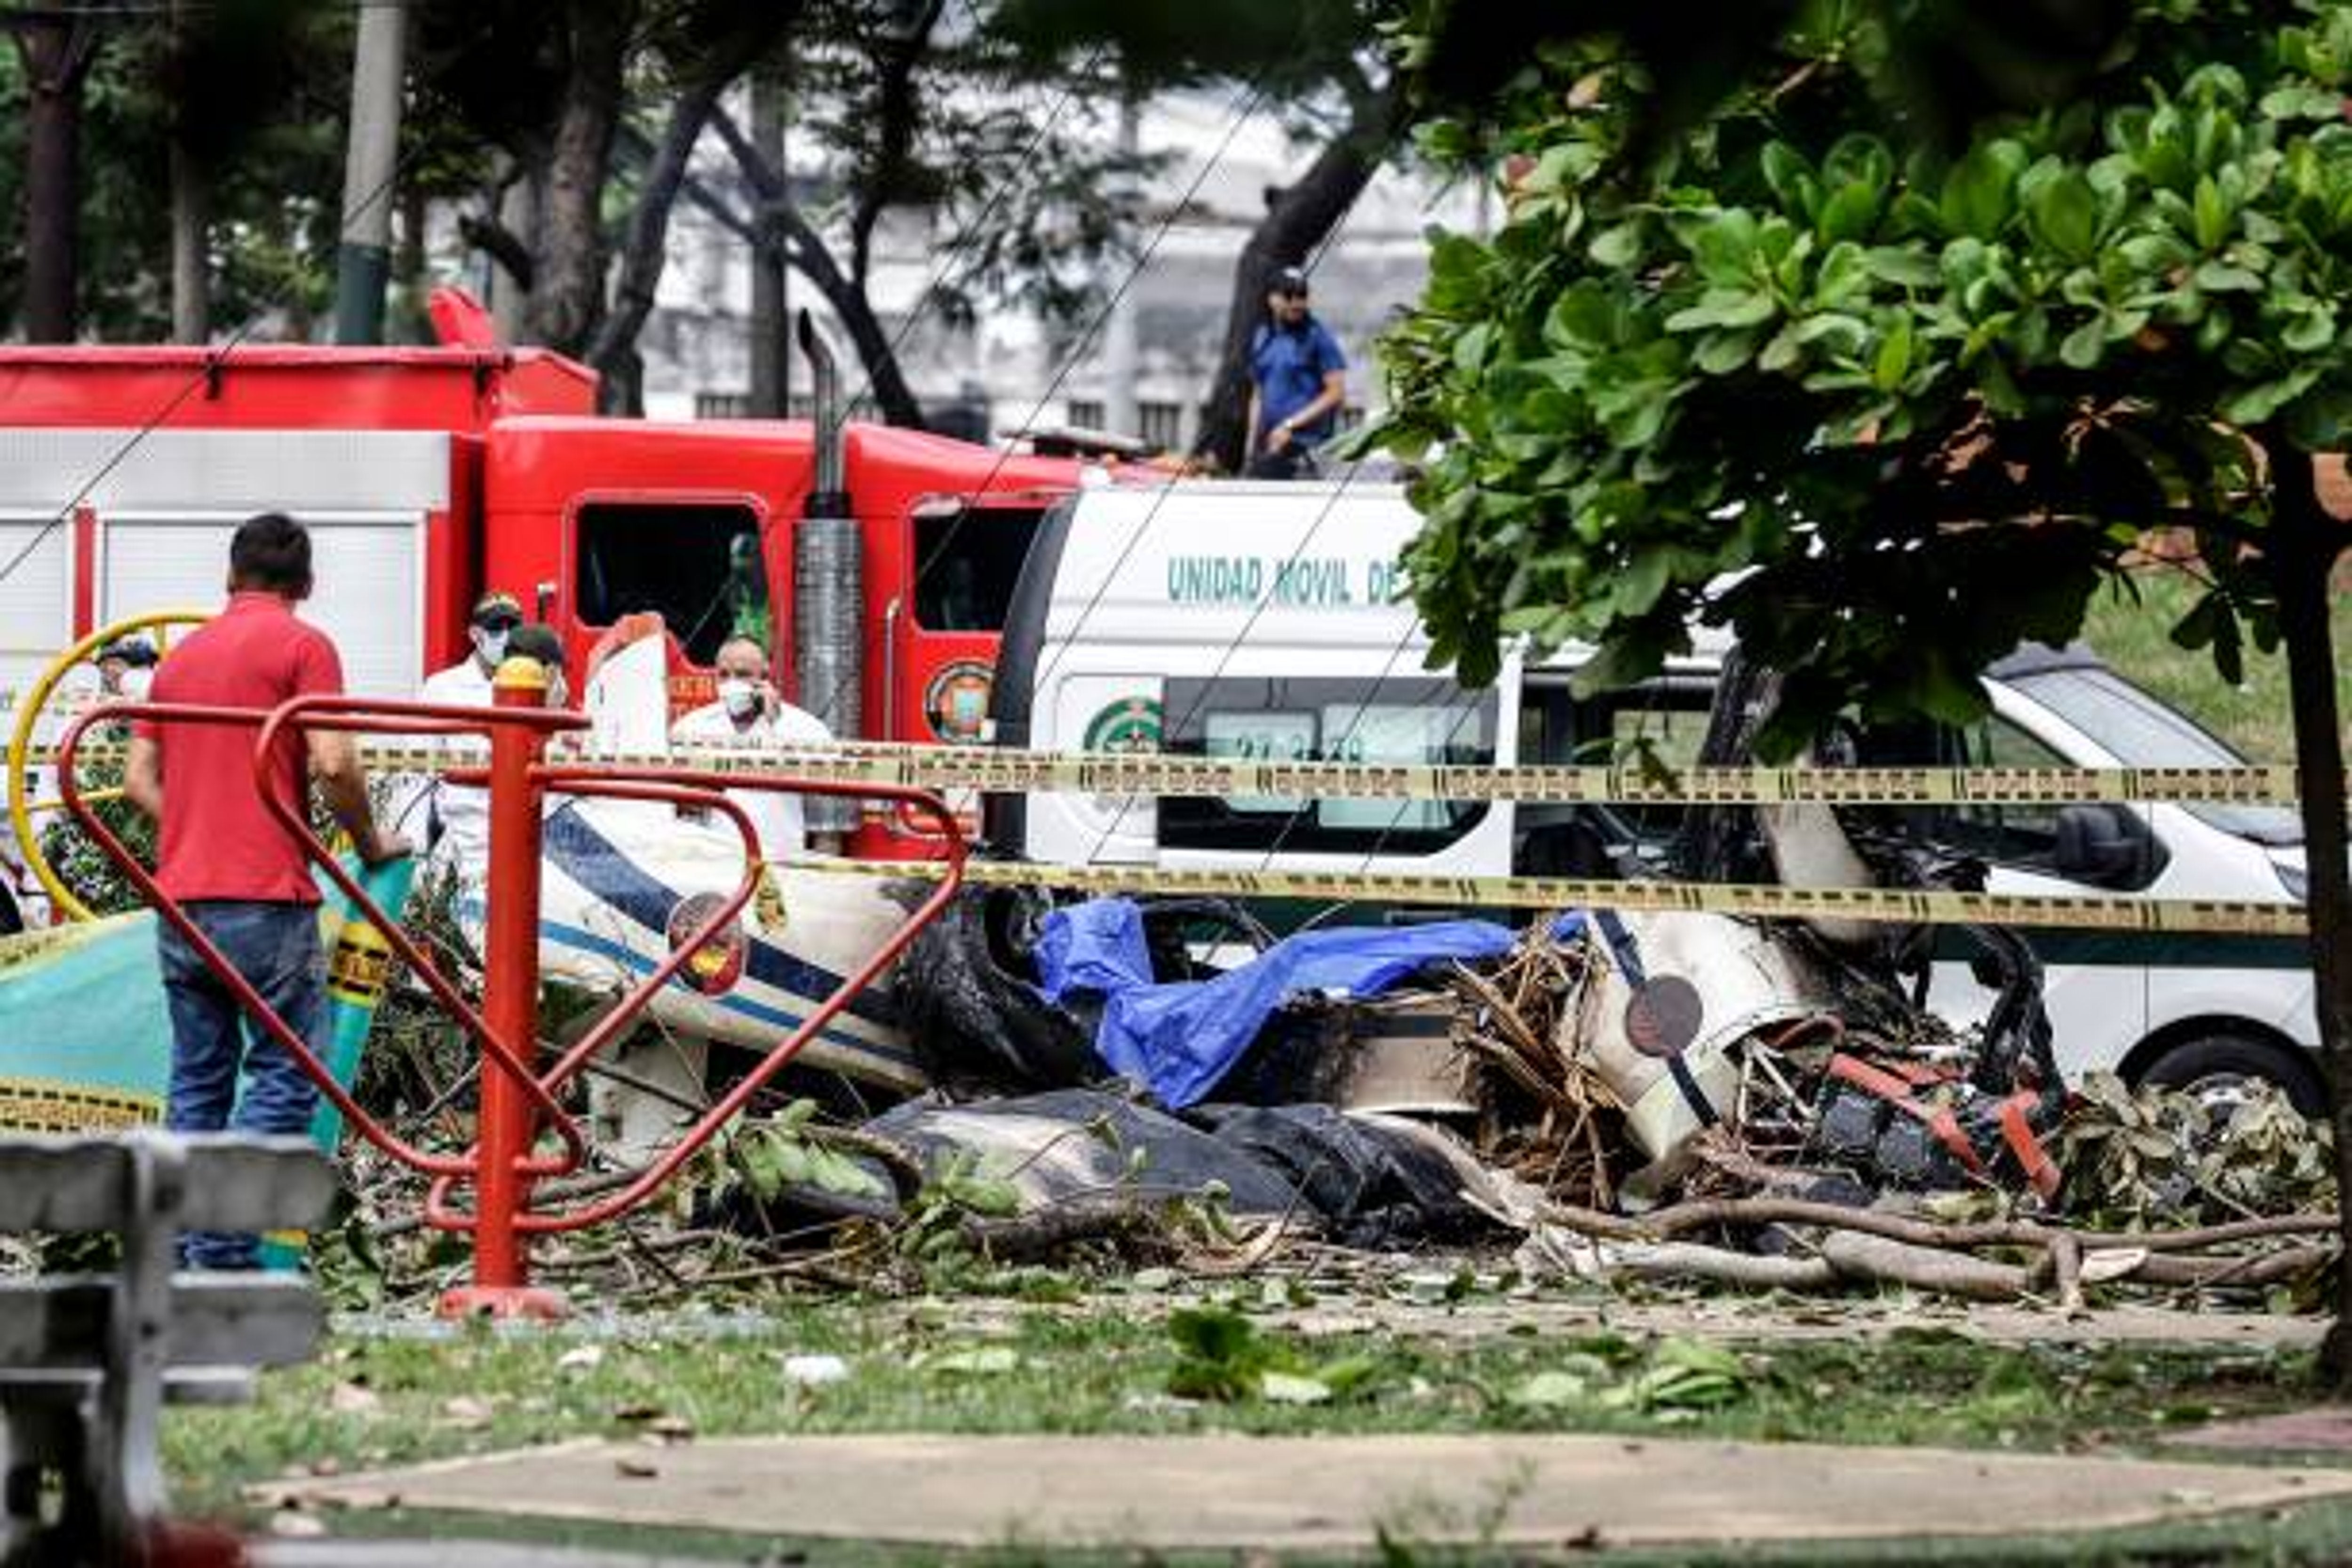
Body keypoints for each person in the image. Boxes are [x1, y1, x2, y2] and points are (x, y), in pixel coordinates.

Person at [122, 512, 409, 1270]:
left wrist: (198, 823)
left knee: (197, 1084)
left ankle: (184, 1251)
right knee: (286, 1074)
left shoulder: (180, 661)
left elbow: (136, 781)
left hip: (182, 904)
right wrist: (370, 844)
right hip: (264, 902)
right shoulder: (304, 645)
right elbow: (336, 764)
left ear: (229, 577)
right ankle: (219, 1255)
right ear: (306, 585)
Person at [669, 636, 833, 860]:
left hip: (781, 859)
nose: (731, 683)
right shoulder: (691, 725)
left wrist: (775, 723)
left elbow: (827, 797)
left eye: (743, 675)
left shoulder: (805, 727)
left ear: (765, 678)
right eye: (724, 675)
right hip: (710, 860)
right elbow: (674, 801)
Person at [1244, 264, 1348, 480]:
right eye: (1289, 295)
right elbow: (1258, 393)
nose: (1297, 303)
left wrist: (1290, 425)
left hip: (1307, 448)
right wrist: (1251, 445)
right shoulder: (1263, 336)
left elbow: (1336, 393)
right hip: (1271, 446)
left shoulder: (1318, 336)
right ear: (1272, 299)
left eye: (1302, 295)